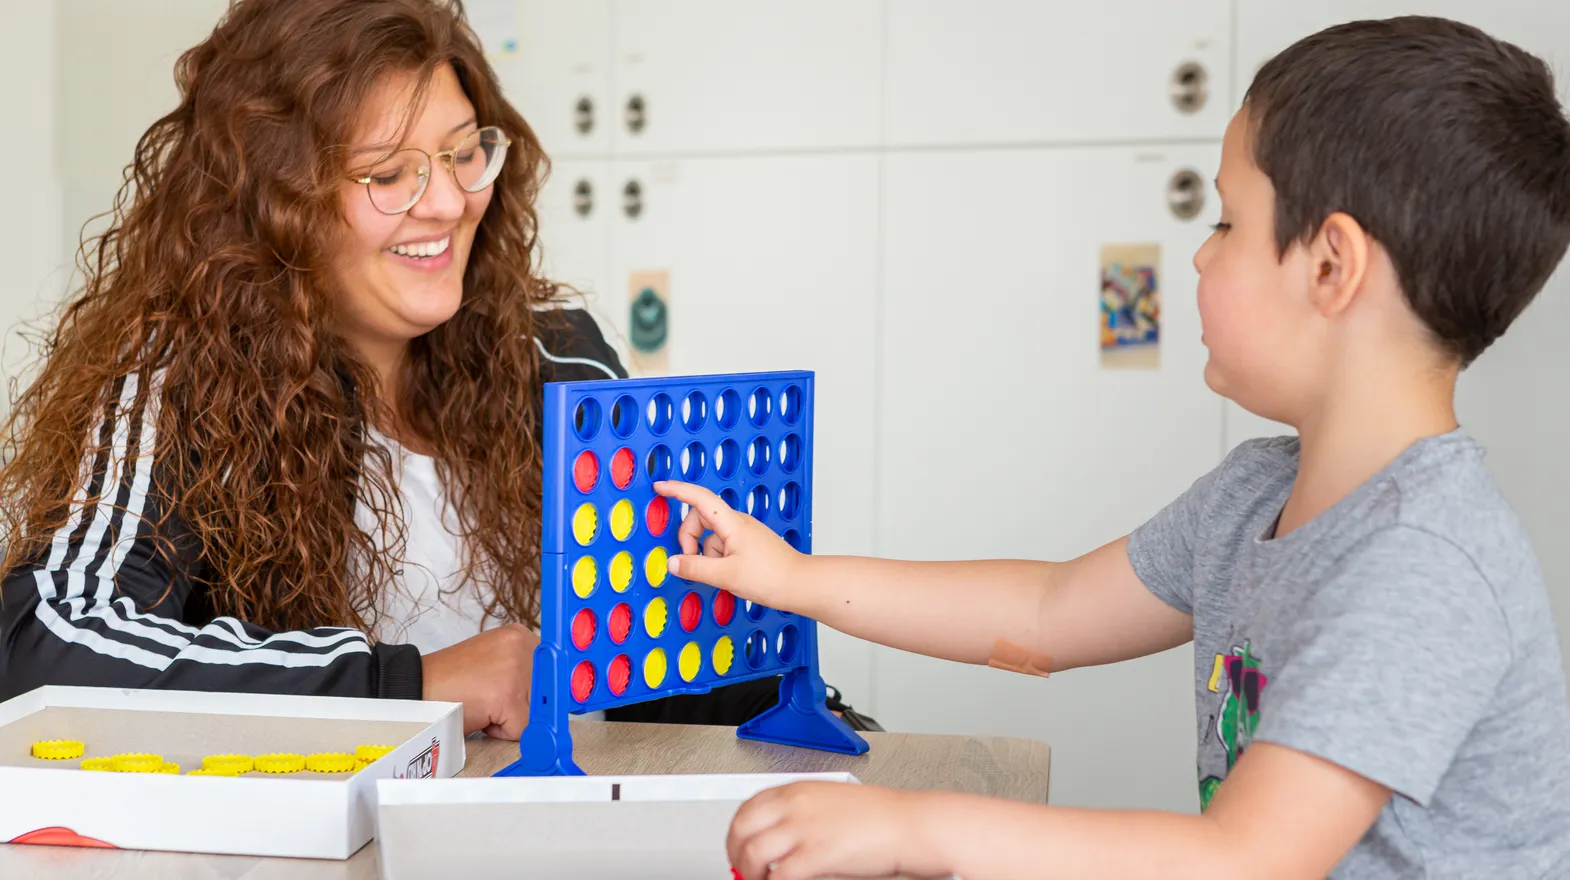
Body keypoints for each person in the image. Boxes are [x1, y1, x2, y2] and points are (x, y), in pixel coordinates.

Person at [658, 16, 1570, 879]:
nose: (1203, 258)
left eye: (1226, 222)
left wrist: (914, 826)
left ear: (1331, 266)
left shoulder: (1420, 566)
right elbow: (1048, 614)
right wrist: (788, 577)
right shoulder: (1255, 496)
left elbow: (1243, 861)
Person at [0, 0, 810, 737]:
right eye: (389, 174)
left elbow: (676, 641)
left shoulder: (556, 357)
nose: (450, 203)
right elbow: (52, 646)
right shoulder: (180, 382)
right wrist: (413, 684)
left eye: (463, 155)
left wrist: (808, 715)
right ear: (272, 200)